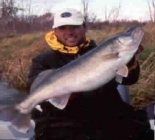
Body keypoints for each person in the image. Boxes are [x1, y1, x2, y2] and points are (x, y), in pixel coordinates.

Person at [27, 8, 153, 140]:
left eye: (74, 27)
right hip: (63, 120)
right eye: (63, 28)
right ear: (55, 31)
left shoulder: (102, 50)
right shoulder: (42, 61)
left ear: (84, 27)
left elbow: (129, 80)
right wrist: (66, 91)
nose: (69, 32)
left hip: (107, 113)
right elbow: (37, 91)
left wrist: (130, 59)